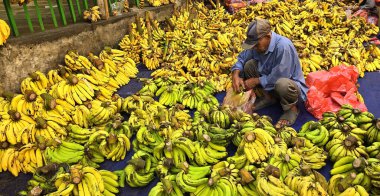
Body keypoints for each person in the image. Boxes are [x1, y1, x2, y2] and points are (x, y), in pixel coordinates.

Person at [231, 18, 308, 127]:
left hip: (290, 88)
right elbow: (242, 58)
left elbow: (280, 76)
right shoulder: (258, 47)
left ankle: (292, 109)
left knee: (282, 84)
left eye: (256, 45)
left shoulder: (283, 47)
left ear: (268, 37)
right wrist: (236, 73)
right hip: (271, 84)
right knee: (249, 65)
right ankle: (269, 97)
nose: (254, 48)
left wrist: (256, 81)